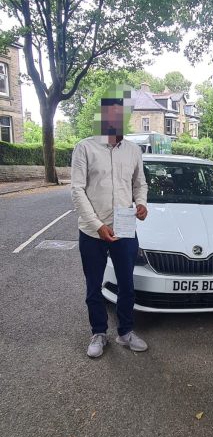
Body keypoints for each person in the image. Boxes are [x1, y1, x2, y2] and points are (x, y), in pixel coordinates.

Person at [71, 89, 148, 358]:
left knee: (127, 283)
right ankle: (99, 333)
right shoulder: (85, 147)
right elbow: (77, 190)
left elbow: (140, 183)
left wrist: (141, 203)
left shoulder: (133, 150)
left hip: (126, 228)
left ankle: (125, 332)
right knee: (94, 286)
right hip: (92, 231)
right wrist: (97, 225)